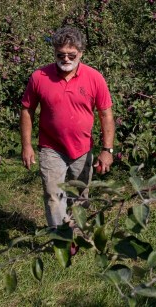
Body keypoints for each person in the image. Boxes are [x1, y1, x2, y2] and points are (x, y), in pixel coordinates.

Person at [20, 26, 115, 228]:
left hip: (82, 149)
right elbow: (27, 110)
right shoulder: (40, 77)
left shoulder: (94, 78)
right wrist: (26, 145)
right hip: (51, 148)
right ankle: (59, 237)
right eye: (60, 54)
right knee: (53, 195)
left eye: (71, 54)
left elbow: (105, 114)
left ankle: (77, 232)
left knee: (81, 195)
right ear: (54, 52)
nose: (66, 59)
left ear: (81, 53)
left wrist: (107, 150)